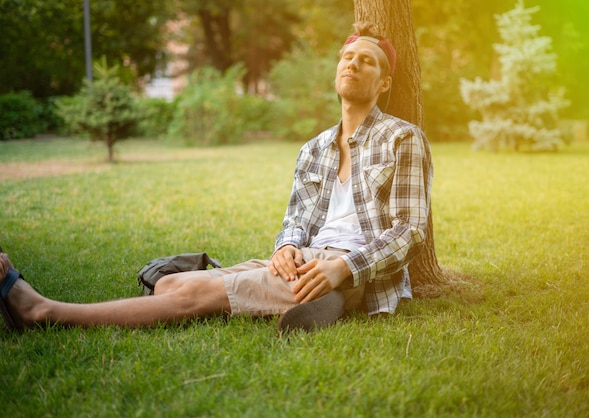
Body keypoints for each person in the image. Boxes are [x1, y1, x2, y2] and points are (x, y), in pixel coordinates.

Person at [0, 21, 433, 333]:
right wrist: (285, 247)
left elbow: (410, 231)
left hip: (351, 269)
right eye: (348, 57)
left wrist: (342, 269)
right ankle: (316, 299)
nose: (353, 65)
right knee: (168, 282)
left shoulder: (402, 138)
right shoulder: (314, 147)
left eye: (367, 62)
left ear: (384, 83)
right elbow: (295, 219)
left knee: (189, 298)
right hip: (308, 258)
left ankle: (42, 312)